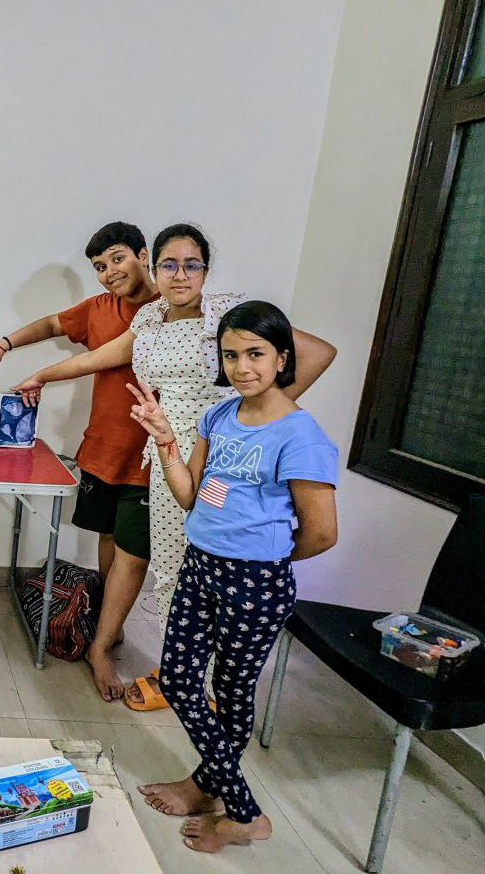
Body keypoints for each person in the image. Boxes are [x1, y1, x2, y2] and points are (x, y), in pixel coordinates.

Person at [14, 224, 336, 709]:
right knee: (175, 569)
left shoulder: (225, 313)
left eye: (191, 265)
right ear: (154, 266)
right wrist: (41, 374)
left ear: (205, 269)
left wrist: (262, 413)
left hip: (220, 458)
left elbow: (318, 352)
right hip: (166, 456)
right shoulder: (150, 319)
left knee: (221, 572)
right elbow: (98, 359)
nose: (180, 274)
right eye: (170, 265)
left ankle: (212, 686)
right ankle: (178, 676)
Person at [126, 300, 338, 854]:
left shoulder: (301, 436)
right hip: (200, 566)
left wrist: (261, 556)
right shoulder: (219, 417)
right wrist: (166, 443)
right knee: (179, 682)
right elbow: (191, 496)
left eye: (255, 354)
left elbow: (321, 533)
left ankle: (234, 809)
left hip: (255, 581)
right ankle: (228, 798)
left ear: (282, 358)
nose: (242, 367)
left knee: (231, 691)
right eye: (230, 355)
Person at [0, 221, 158, 701]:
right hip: (102, 449)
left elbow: (96, 360)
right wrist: (3, 344)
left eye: (118, 258)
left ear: (143, 254)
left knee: (134, 554)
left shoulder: (169, 313)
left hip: (152, 456)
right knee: (108, 538)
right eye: (99, 266)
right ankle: (110, 627)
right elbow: (53, 325)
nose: (109, 272)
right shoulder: (99, 308)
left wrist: (41, 375)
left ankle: (99, 647)